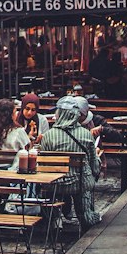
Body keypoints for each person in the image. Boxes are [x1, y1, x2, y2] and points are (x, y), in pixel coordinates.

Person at [41, 96, 100, 230]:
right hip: (79, 183)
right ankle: (86, 214)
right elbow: (93, 164)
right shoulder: (86, 134)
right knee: (89, 172)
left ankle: (55, 218)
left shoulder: (49, 135)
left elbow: (45, 164)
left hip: (55, 185)